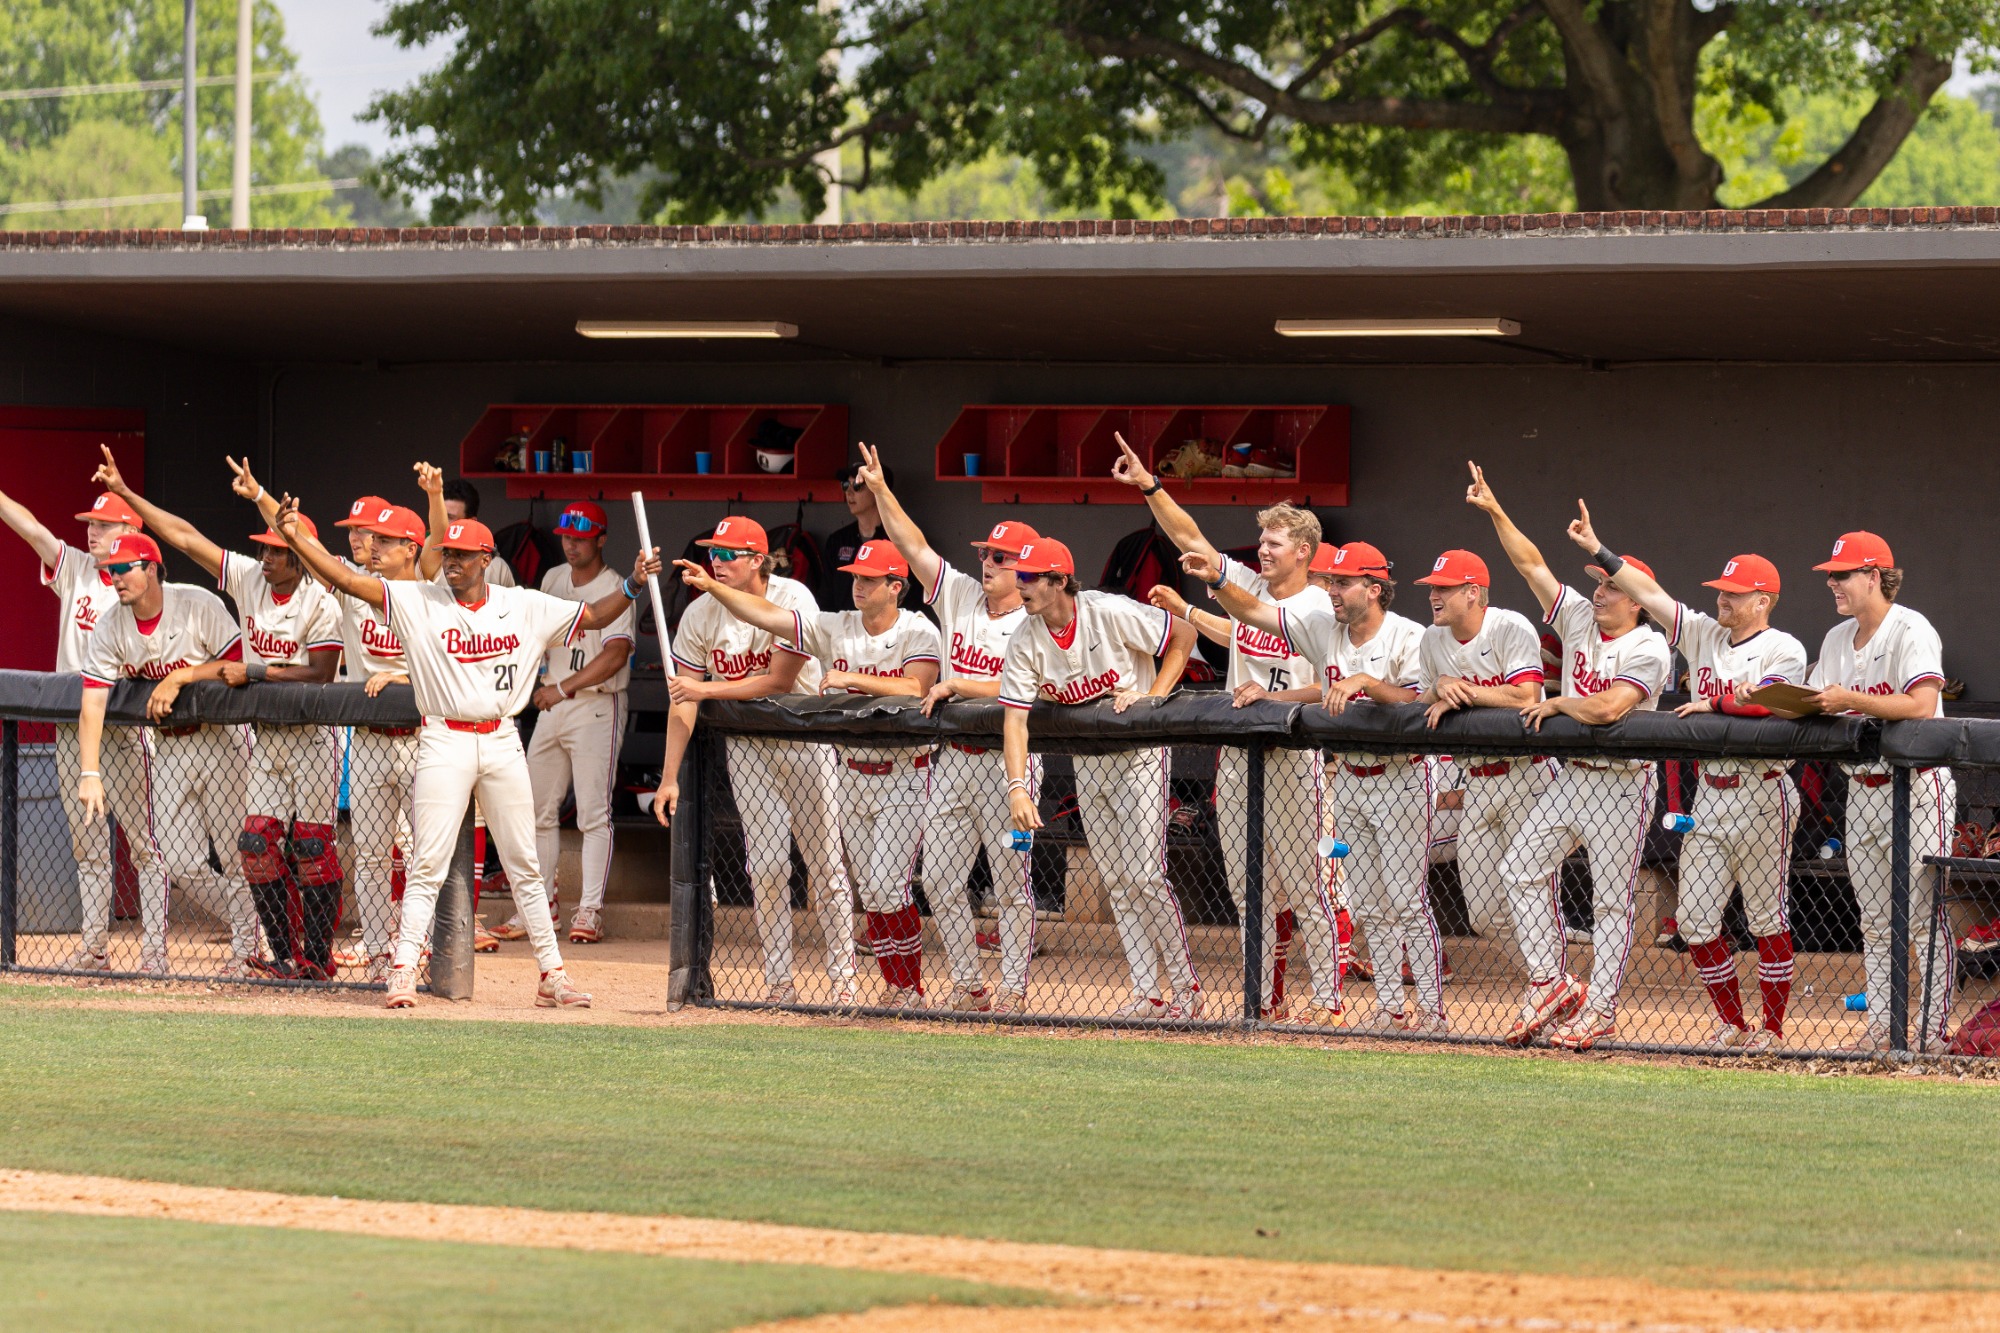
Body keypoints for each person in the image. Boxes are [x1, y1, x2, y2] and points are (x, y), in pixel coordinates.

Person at [268, 483, 657, 1010]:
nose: (450, 561)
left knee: (523, 861)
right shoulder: (419, 598)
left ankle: (552, 974)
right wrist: (292, 532)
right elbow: (343, 578)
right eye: (445, 552)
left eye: (461, 555)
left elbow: (590, 617)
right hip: (444, 738)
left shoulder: (523, 604)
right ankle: (403, 969)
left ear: (485, 559)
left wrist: (633, 584)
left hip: (500, 740)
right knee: (426, 861)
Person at [1109, 435, 1341, 1024]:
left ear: (1304, 552)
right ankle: (1262, 999)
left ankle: (1328, 1000)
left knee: (1306, 886)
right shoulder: (1251, 591)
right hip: (1238, 757)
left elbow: (1328, 685)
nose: (1262, 551)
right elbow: (1194, 543)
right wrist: (1151, 488)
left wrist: (1273, 695)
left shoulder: (1318, 605)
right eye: (1261, 541)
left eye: (1274, 543)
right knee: (1249, 890)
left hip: (1292, 756)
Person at [99, 449, 347, 980]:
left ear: (300, 557)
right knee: (256, 846)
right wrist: (126, 495)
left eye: (277, 552)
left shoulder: (320, 599)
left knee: (311, 849)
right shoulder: (250, 581)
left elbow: (323, 673)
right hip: (264, 738)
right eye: (264, 549)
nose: (266, 558)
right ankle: (282, 954)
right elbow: (186, 538)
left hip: (310, 737)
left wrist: (256, 673)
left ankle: (318, 960)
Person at [1567, 507, 1807, 1053]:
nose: (1722, 600)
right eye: (1720, 591)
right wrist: (1600, 552)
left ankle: (1771, 1030)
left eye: (1734, 594)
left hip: (1764, 790)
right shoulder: (1701, 634)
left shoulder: (1783, 647)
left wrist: (1717, 702)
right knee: (1695, 921)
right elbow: (1648, 595)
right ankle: (1732, 1024)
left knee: (1767, 916)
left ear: (1762, 602)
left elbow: (1772, 705)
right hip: (1711, 796)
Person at [675, 539, 942, 1007]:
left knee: (881, 885)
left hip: (905, 768)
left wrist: (853, 680)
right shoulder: (836, 626)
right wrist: (710, 588)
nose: (858, 585)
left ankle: (906, 986)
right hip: (852, 771)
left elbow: (915, 687)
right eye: (855, 576)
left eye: (869, 578)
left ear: (896, 586)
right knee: (872, 887)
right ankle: (899, 988)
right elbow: (768, 617)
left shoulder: (919, 630)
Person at [1187, 540, 1434, 1032]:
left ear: (1375, 587)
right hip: (1349, 777)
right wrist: (1215, 583)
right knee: (1367, 905)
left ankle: (1421, 1008)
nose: (1331, 590)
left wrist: (1363, 681)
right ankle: (1386, 1011)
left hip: (1400, 776)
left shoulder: (1411, 634)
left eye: (1342, 582)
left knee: (1399, 902)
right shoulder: (1326, 627)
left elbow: (1416, 700)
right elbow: (1254, 611)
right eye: (1330, 581)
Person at [1467, 465, 1671, 1051]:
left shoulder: (1649, 644)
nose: (1598, 592)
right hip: (1575, 777)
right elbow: (1532, 566)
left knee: (1611, 902)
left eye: (1609, 586)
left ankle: (1601, 1009)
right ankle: (1551, 982)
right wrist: (1496, 512)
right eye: (1598, 584)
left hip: (1623, 784)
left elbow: (1611, 708)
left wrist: (1558, 705)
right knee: (1519, 869)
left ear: (1635, 600)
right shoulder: (1580, 617)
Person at [854, 442, 1037, 1013]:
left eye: (1002, 559)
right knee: (938, 879)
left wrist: (962, 684)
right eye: (987, 553)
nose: (989, 563)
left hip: (1009, 762)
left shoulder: (1036, 619)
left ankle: (1013, 987)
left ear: (1024, 569)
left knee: (1010, 885)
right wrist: (882, 492)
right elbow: (913, 548)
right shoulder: (959, 594)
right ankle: (967, 983)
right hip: (954, 758)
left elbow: (1028, 692)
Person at [652, 517, 857, 1005]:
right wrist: (668, 777)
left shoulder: (793, 599)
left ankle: (844, 980)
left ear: (758, 560)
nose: (716, 563)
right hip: (747, 745)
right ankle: (779, 983)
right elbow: (683, 698)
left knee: (825, 866)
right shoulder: (700, 614)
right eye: (712, 554)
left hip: (802, 738)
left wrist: (706, 689)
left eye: (728, 554)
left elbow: (780, 681)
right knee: (764, 866)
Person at [999, 536, 1203, 1020]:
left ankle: (1187, 989)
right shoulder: (1026, 637)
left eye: (1031, 577)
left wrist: (1152, 698)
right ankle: (1147, 992)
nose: (1021, 585)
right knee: (1116, 879)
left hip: (1138, 757)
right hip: (1089, 761)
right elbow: (1014, 719)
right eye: (1020, 577)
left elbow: (1184, 636)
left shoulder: (1107, 611)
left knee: (1145, 875)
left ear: (1060, 581)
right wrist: (1017, 787)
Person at [241, 481, 430, 983]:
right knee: (367, 852)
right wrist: (265, 500)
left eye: (368, 533)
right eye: (354, 533)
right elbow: (312, 549)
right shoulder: (350, 588)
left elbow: (446, 663)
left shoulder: (429, 595)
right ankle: (375, 950)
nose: (358, 541)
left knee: (418, 853)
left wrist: (405, 677)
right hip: (366, 737)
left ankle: (419, 948)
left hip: (419, 738)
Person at [74, 532, 263, 976]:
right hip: (171, 746)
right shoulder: (110, 625)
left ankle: (245, 951)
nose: (116, 578)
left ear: (153, 567)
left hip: (223, 741)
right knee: (176, 858)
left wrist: (181, 676)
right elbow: (93, 701)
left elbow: (238, 667)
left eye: (125, 569)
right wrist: (89, 771)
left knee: (237, 854)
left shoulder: (198, 604)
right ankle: (248, 926)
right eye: (111, 571)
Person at [1800, 531, 1956, 1052]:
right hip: (1863, 790)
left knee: (1923, 921)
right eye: (1830, 575)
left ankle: (1930, 1035)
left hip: (1917, 786)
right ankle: (1881, 1033)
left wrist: (1850, 698)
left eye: (1841, 574)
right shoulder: (1835, 639)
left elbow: (1920, 704)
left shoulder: (1911, 628)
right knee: (1874, 920)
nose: (1832, 583)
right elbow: (1820, 699)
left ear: (1874, 577)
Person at [0, 485, 150, 971]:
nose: (92, 530)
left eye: (103, 524)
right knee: (86, 843)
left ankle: (157, 952)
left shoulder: (144, 584)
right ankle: (95, 947)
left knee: (148, 844)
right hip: (73, 725)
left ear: (130, 531)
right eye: (91, 523)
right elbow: (31, 529)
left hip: (124, 725)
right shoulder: (78, 569)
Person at [1409, 548, 1549, 971]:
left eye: (1444, 588)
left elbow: (1526, 696)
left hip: (1528, 775)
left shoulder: (1509, 627)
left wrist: (1461, 691)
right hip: (1476, 780)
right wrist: (1440, 688)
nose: (1434, 595)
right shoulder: (1433, 639)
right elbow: (1422, 699)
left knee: (1531, 894)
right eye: (1432, 587)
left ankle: (1549, 986)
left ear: (1472, 592)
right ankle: (1552, 980)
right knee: (1484, 913)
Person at [502, 502, 635, 947]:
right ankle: (539, 909)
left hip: (596, 704)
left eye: (581, 536)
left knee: (593, 815)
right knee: (536, 809)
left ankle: (590, 910)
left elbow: (615, 654)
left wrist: (562, 689)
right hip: (552, 701)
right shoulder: (554, 579)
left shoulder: (616, 586)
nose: (571, 543)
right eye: (566, 536)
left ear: (600, 538)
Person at [824, 460, 914, 611]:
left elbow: (911, 597)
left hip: (888, 631)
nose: (849, 492)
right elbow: (826, 598)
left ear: (878, 491)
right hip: (843, 630)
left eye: (858, 486)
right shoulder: (837, 540)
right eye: (845, 485)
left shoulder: (900, 540)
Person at [438, 479, 515, 586]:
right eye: (439, 516)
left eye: (449, 517)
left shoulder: (496, 567)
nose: (441, 522)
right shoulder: (424, 559)